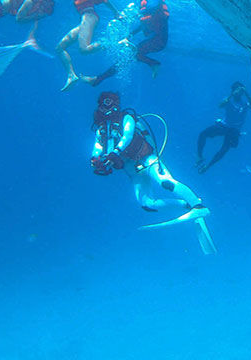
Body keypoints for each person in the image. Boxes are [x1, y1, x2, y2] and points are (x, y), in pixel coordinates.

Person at [89, 91, 215, 255]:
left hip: (147, 159)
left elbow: (127, 136)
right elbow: (97, 147)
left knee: (165, 182)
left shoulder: (127, 119)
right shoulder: (100, 130)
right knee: (147, 204)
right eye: (104, 104)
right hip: (131, 169)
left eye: (111, 103)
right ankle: (188, 204)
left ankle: (198, 205)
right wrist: (95, 160)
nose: (108, 108)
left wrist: (115, 153)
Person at [57, 0, 118, 90]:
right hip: (84, 18)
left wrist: (116, 13)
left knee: (84, 49)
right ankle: (71, 75)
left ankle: (114, 43)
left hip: (90, 16)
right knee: (60, 48)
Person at [196, 81, 251, 174]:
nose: (238, 93)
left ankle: (208, 166)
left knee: (224, 149)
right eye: (236, 90)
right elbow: (221, 105)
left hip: (235, 130)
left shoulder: (245, 103)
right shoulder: (228, 100)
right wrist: (231, 95)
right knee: (203, 134)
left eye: (240, 91)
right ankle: (199, 157)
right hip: (224, 125)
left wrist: (246, 93)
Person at [128, 0, 169, 76]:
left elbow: (143, 26)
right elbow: (142, 26)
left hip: (157, 42)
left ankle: (154, 63)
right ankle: (153, 63)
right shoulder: (157, 16)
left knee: (135, 54)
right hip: (159, 42)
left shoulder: (156, 16)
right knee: (134, 53)